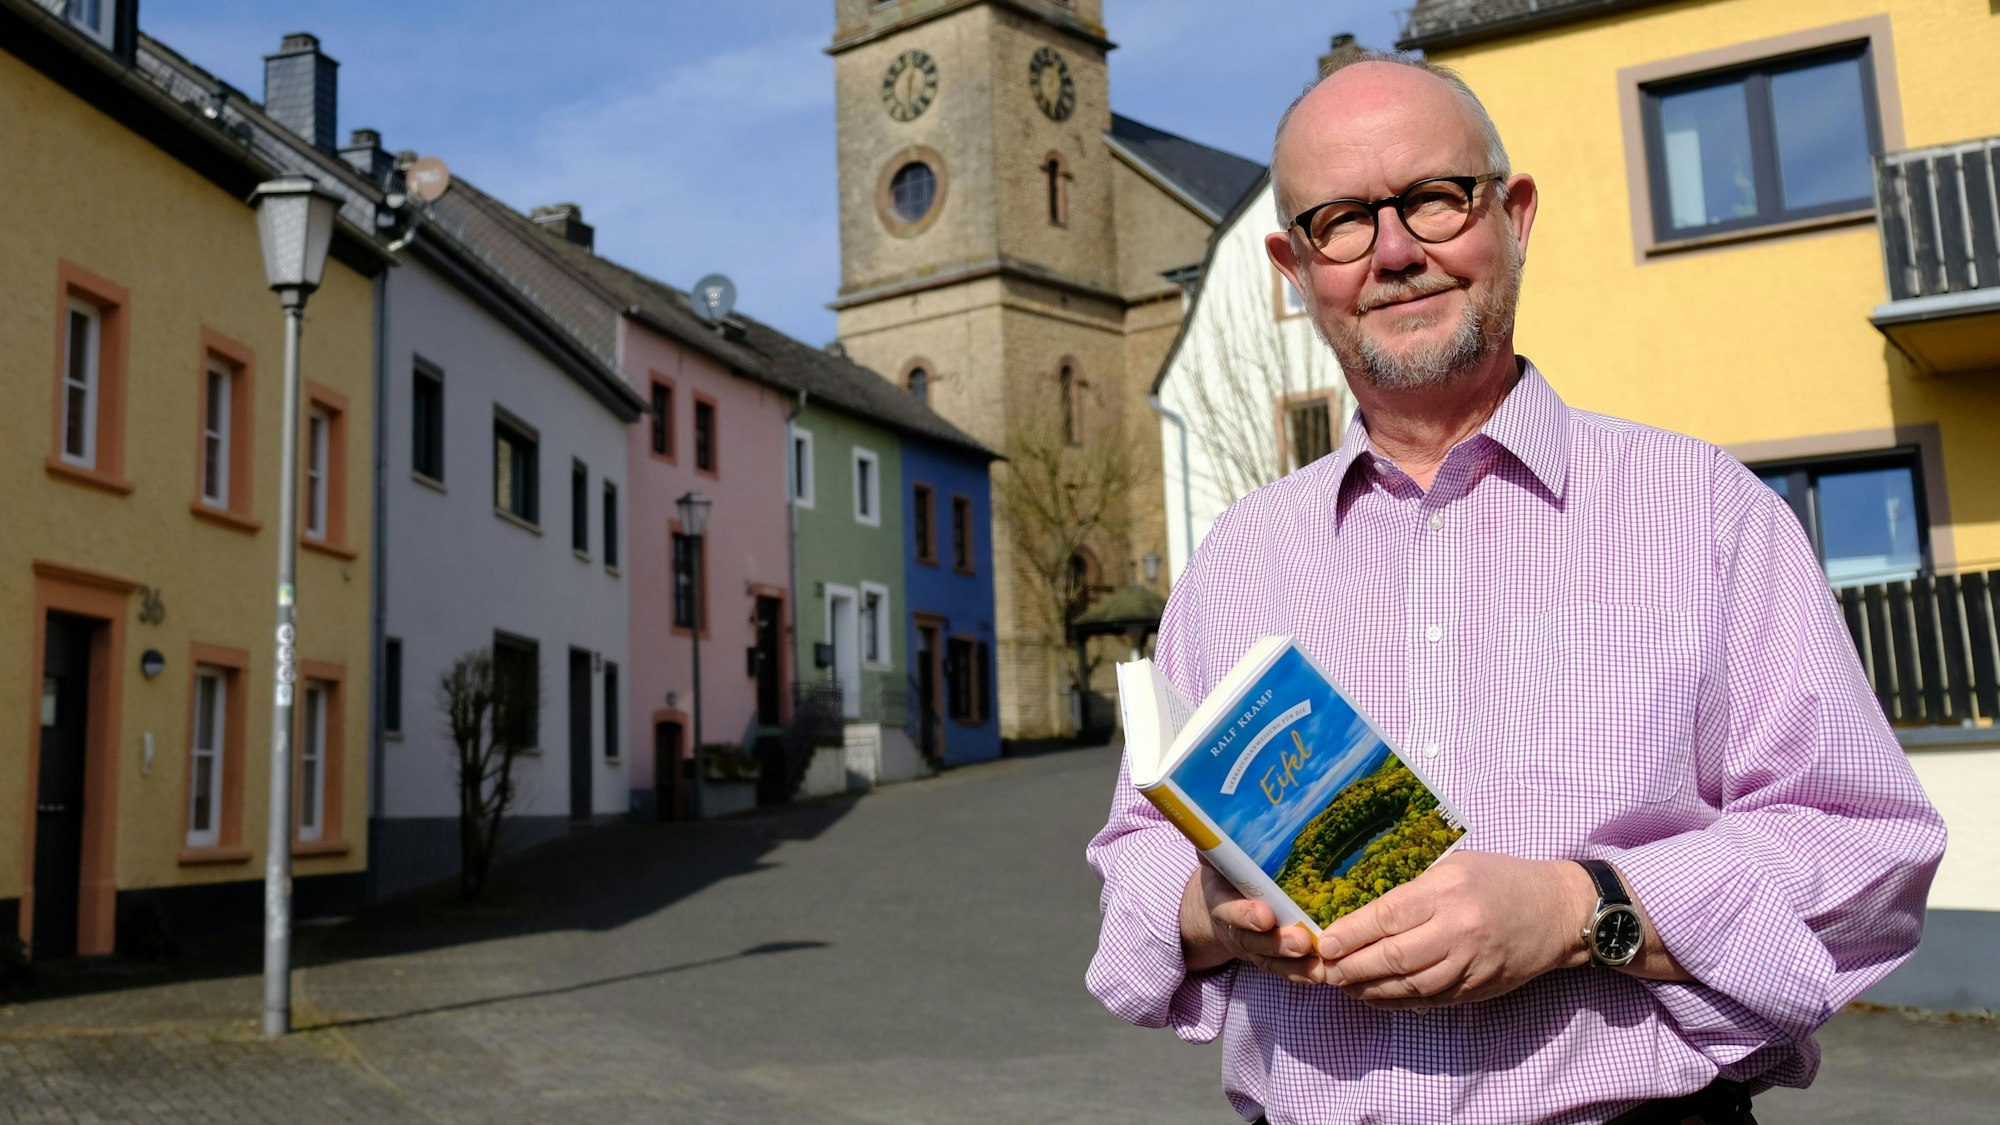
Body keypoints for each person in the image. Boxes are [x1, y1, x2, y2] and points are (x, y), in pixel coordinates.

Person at [1085, 51, 1945, 1125]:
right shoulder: (1240, 559)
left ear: (1514, 215)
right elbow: (1136, 849)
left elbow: (1864, 849)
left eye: (1434, 200)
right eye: (1341, 222)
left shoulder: (1700, 512)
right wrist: (1210, 912)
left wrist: (1577, 908)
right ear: (1292, 268)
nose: (1393, 253)